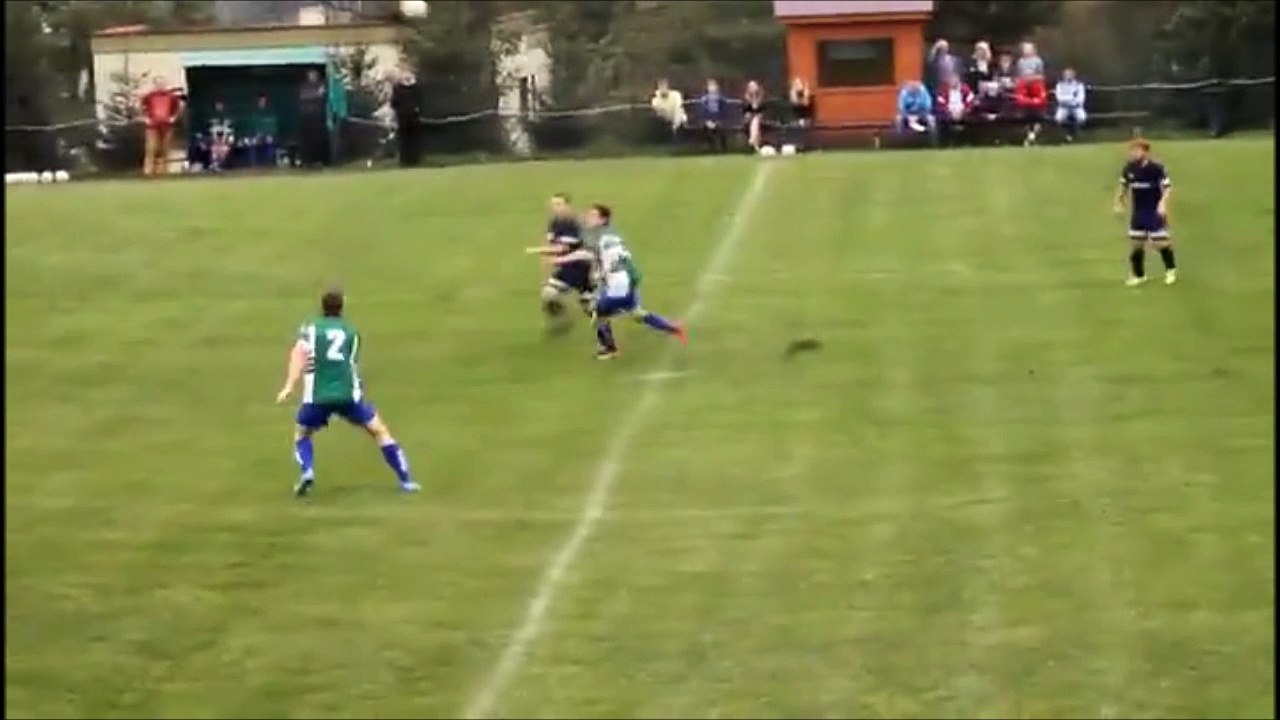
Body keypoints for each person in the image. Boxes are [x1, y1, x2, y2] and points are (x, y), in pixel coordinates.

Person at [275, 289, 420, 497]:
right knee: (380, 432)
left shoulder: (310, 330)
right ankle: (406, 480)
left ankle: (307, 471)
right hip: (348, 395)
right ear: (342, 307)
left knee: (302, 433)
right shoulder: (351, 332)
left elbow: (299, 356)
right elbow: (350, 362)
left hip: (317, 397)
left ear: (322, 307)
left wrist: (289, 386)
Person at [551, 204, 687, 360]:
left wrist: (562, 258)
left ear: (603, 220)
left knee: (595, 309)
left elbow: (587, 253)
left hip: (620, 284)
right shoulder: (607, 233)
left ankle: (609, 348)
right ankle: (673, 327)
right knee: (637, 313)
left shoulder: (602, 238)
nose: (588, 217)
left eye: (593, 215)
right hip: (629, 279)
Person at [1114, 139, 1177, 287]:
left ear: (1145, 152)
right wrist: (1118, 202)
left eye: (1137, 150)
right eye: (1132, 150)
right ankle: (1139, 275)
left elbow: (1167, 188)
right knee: (1136, 244)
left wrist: (1162, 204)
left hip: (1153, 211)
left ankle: (1170, 270)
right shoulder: (1129, 168)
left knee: (1160, 243)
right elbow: (1123, 186)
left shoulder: (1156, 168)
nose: (1134, 153)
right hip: (1138, 212)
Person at [527, 193, 595, 330]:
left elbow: (564, 247)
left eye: (559, 204)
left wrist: (536, 250)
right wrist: (546, 265)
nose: (555, 208)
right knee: (550, 295)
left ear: (568, 205)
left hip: (580, 266)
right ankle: (563, 320)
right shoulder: (554, 222)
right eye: (553, 205)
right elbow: (552, 244)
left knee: (552, 294)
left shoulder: (575, 223)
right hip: (566, 266)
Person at [140, 77, 184, 176]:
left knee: (165, 149)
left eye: (162, 84)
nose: (160, 86)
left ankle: (163, 171)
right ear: (154, 85)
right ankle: (148, 172)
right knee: (151, 149)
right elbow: (142, 108)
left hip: (167, 126)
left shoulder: (171, 97)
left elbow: (178, 108)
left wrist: (173, 118)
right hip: (152, 126)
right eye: (158, 84)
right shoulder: (149, 96)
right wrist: (146, 118)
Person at [390, 69, 423, 167]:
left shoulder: (416, 88)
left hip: (414, 117)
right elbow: (394, 103)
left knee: (414, 139)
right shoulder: (397, 88)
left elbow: (421, 100)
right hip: (402, 118)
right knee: (404, 140)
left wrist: (418, 109)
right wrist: (399, 111)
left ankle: (415, 160)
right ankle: (405, 161)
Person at [298, 68, 328, 167]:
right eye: (311, 75)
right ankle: (307, 161)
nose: (312, 77)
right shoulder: (304, 87)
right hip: (306, 118)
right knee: (307, 141)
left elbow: (324, 98)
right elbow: (304, 97)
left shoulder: (321, 85)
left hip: (317, 118)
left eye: (314, 75)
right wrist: (317, 94)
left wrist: (320, 94)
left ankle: (317, 161)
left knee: (318, 140)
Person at [1053, 67, 1088, 141]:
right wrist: (1071, 98)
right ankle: (1068, 132)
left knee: (1082, 118)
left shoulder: (1079, 85)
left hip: (1076, 107)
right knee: (1058, 119)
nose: (1068, 76)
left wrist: (1070, 100)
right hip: (1063, 107)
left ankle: (1071, 134)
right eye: (1067, 74)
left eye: (1070, 74)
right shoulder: (1060, 85)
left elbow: (1081, 98)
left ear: (1073, 75)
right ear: (1064, 75)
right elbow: (1059, 98)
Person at [698, 79, 729, 153]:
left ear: (717, 87)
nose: (711, 88)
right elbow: (703, 111)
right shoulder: (704, 99)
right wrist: (707, 121)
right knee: (706, 129)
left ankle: (723, 148)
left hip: (719, 119)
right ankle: (711, 147)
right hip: (708, 119)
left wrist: (717, 122)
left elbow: (724, 110)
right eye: (710, 86)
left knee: (721, 129)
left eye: (713, 86)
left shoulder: (721, 98)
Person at [249, 94, 278, 168]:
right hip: (257, 134)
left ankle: (269, 163)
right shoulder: (255, 111)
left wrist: (269, 134)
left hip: (267, 134)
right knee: (253, 143)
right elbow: (253, 125)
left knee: (269, 142)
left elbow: (271, 124)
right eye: (261, 101)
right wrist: (257, 134)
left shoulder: (269, 111)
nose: (262, 102)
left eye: (263, 101)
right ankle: (253, 164)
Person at [208, 101, 235, 171]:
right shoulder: (213, 116)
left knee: (223, 150)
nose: (219, 107)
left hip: (224, 140)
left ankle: (219, 165)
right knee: (214, 150)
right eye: (217, 105)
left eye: (220, 105)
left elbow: (228, 130)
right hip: (216, 140)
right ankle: (215, 165)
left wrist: (224, 139)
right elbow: (212, 130)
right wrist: (216, 139)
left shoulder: (226, 116)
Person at [742, 80, 766, 151]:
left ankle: (752, 140)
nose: (753, 87)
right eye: (751, 86)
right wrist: (750, 104)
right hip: (750, 117)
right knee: (754, 122)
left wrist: (757, 104)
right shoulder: (746, 97)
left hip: (761, 115)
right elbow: (745, 109)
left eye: (754, 86)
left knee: (756, 121)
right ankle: (755, 145)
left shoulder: (761, 95)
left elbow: (763, 108)